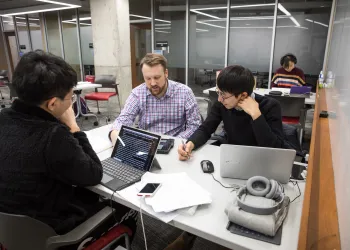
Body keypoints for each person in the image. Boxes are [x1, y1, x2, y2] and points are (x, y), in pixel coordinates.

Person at [0, 50, 137, 249]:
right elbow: (93, 173)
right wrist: (74, 127)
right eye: (71, 99)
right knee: (125, 209)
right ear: (53, 103)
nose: (71, 104)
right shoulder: (53, 135)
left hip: (10, 232)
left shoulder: (3, 118)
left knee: (87, 194)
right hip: (53, 235)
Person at [178, 65, 285, 160]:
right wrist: (191, 143)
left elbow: (276, 150)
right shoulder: (222, 104)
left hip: (261, 159)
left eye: (223, 95)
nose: (219, 99)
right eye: (218, 92)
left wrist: (256, 115)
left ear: (243, 95)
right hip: (233, 158)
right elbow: (206, 129)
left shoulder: (270, 106)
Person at [110, 53, 201, 145]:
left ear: (166, 73)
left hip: (176, 145)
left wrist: (174, 142)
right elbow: (123, 119)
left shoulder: (184, 93)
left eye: (157, 77)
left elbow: (194, 126)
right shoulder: (138, 94)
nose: (153, 83)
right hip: (146, 145)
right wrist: (115, 135)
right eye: (148, 78)